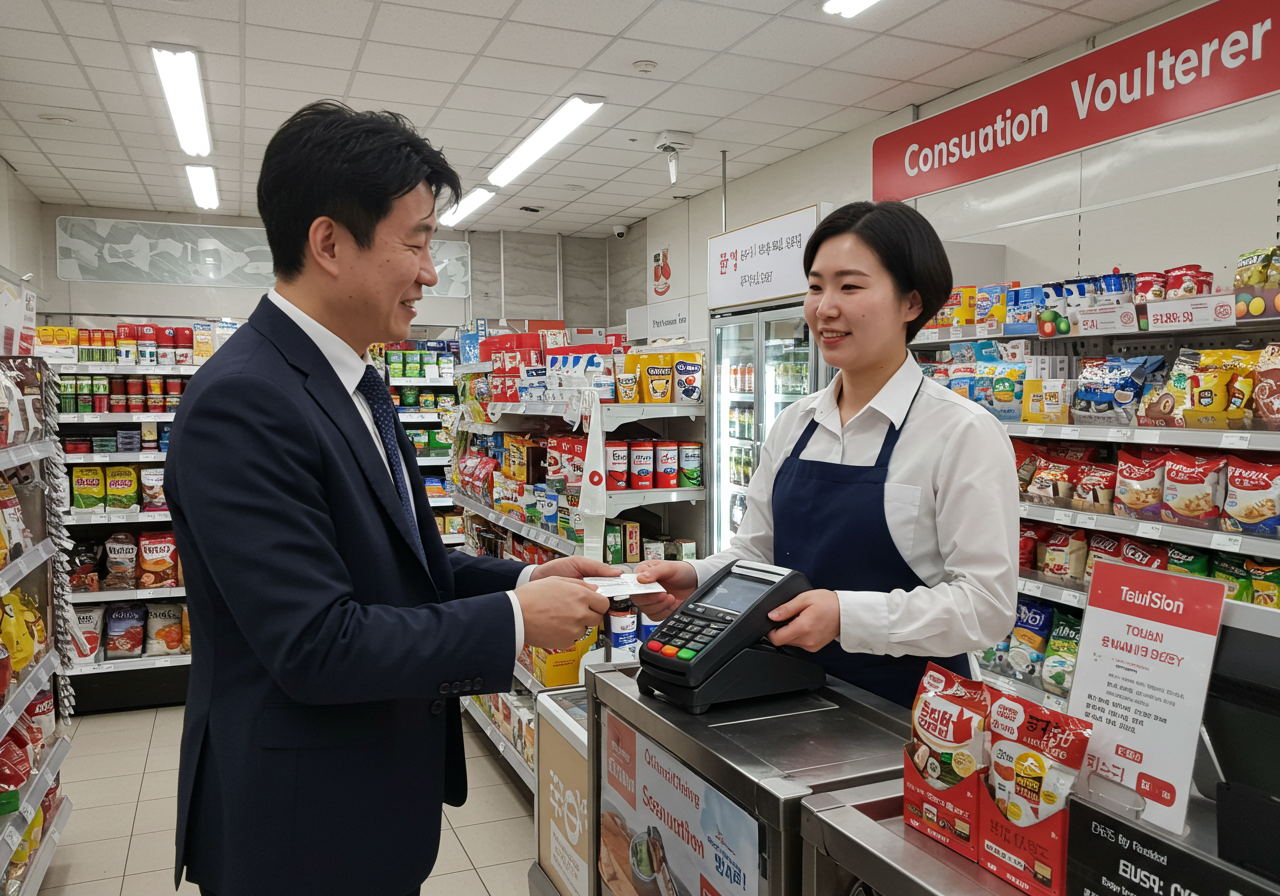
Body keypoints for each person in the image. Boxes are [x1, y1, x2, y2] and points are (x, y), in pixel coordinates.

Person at [164, 101, 616, 896]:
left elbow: (398, 561)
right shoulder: (244, 401)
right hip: (299, 833)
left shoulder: (353, 384)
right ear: (329, 243)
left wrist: (521, 582)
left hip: (361, 804)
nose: (430, 272)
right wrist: (515, 624)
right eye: (416, 241)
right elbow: (316, 643)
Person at [635, 201, 1018, 708]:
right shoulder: (795, 423)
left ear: (911, 302)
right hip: (780, 691)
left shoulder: (961, 432)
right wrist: (698, 577)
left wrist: (845, 616)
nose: (824, 308)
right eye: (816, 286)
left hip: (907, 714)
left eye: (850, 286)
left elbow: (986, 606)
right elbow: (756, 555)